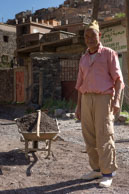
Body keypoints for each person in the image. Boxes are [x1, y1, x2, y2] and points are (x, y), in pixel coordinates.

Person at [75, 20, 124, 188]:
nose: (89, 39)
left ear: (99, 36)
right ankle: (96, 169)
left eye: (92, 35)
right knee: (89, 135)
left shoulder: (109, 53)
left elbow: (118, 80)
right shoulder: (83, 58)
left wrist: (117, 100)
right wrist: (78, 106)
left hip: (104, 98)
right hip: (87, 98)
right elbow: (80, 86)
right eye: (86, 36)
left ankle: (108, 172)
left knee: (104, 134)